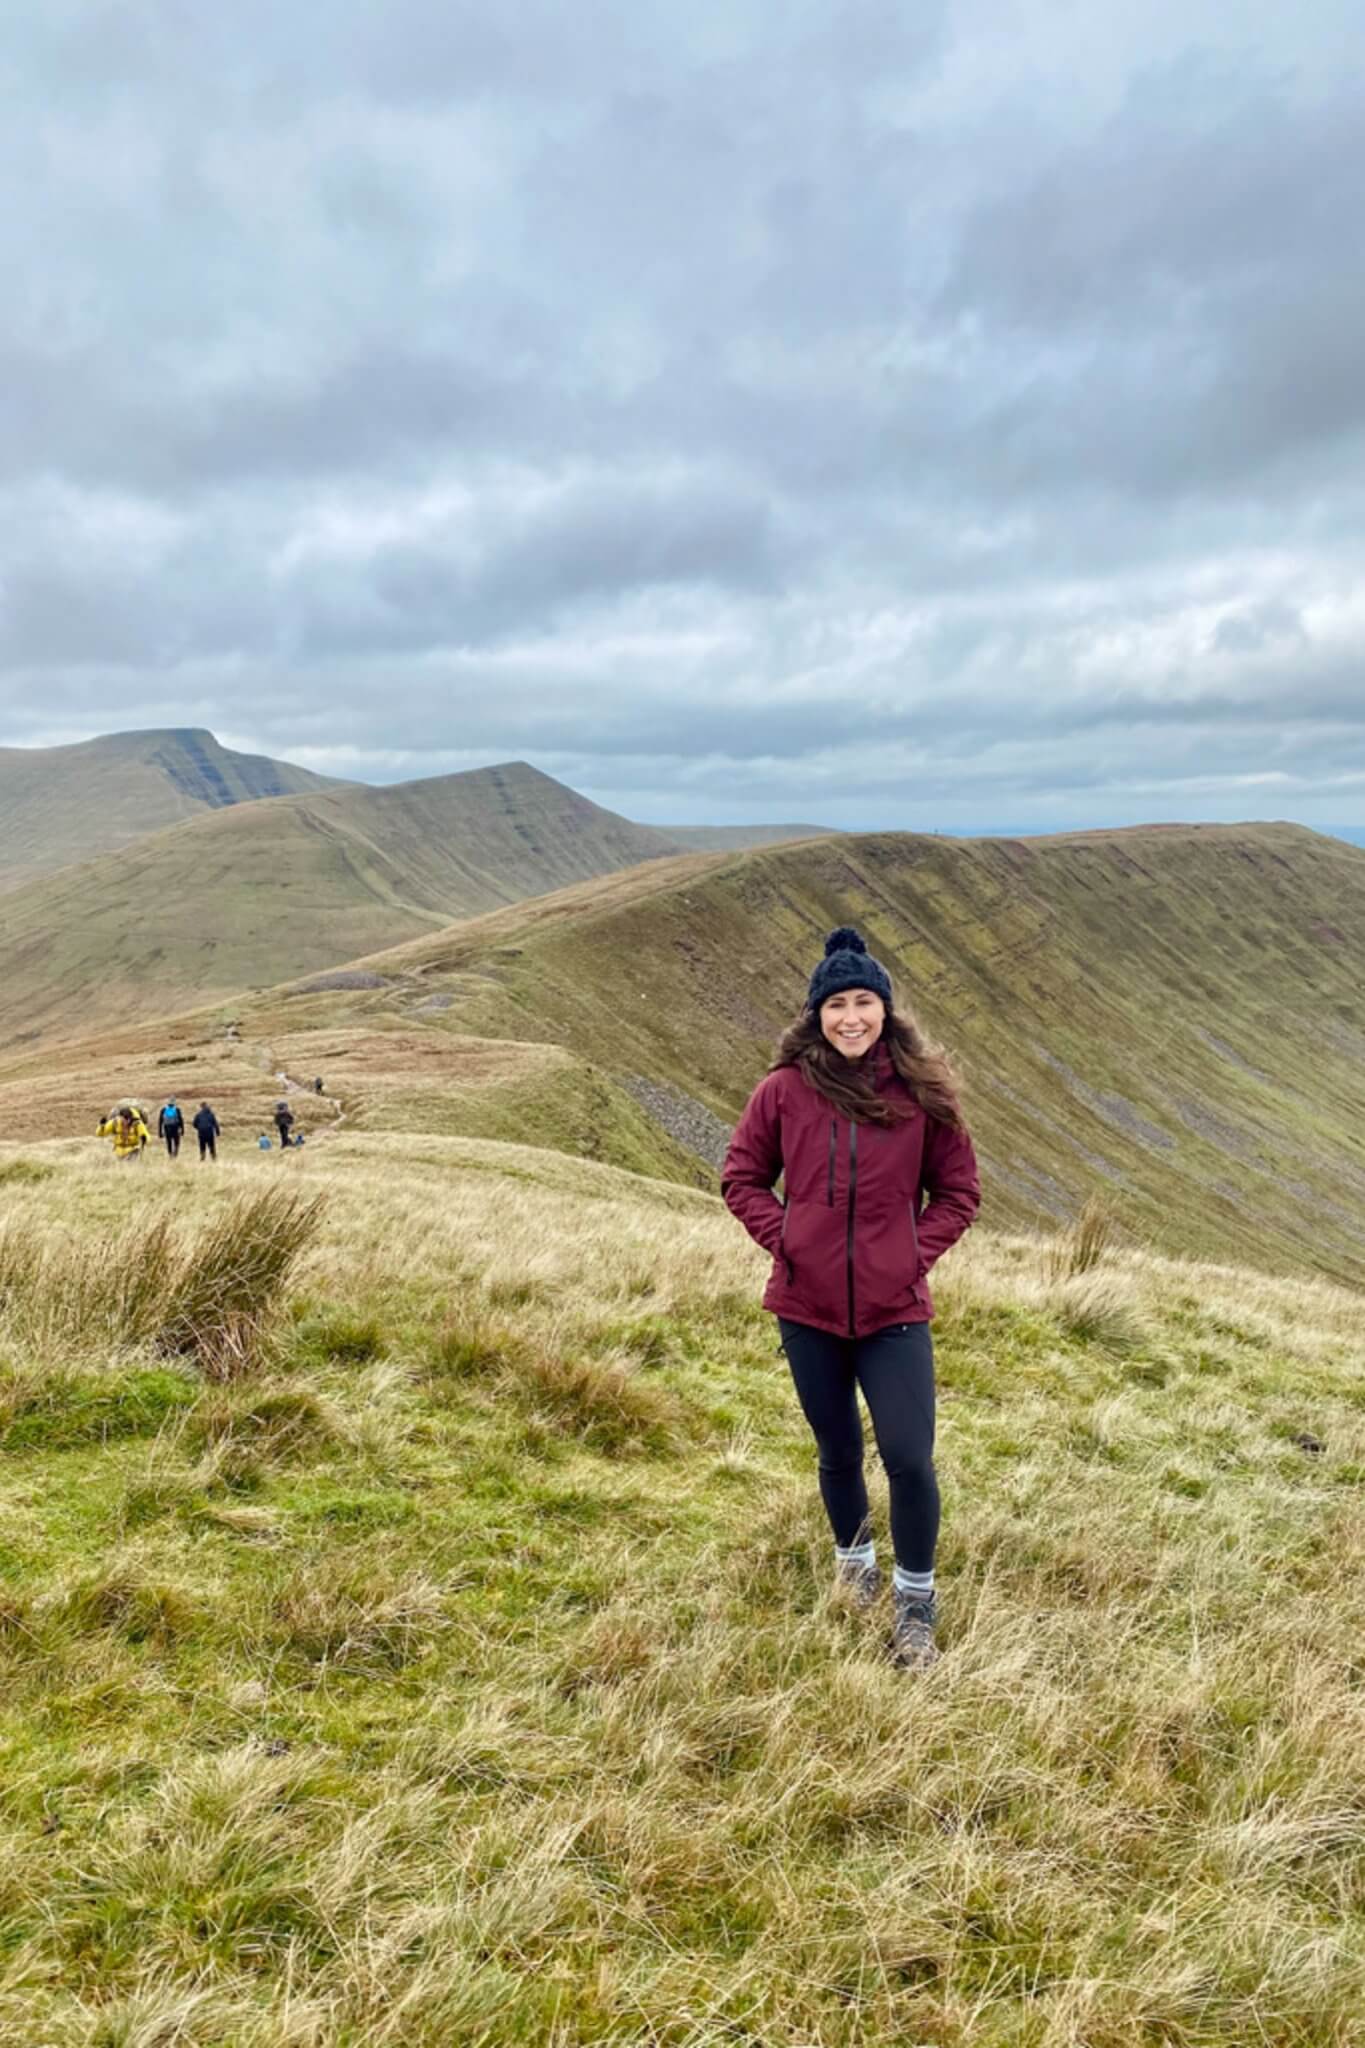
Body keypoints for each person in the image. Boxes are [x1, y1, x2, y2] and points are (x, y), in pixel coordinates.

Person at [722, 927, 980, 1670]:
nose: (851, 1018)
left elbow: (958, 1193)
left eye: (864, 1002)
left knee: (908, 1457)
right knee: (837, 1451)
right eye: (837, 1005)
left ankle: (914, 1605)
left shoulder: (923, 1095)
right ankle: (856, 1566)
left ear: (885, 1010)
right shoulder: (782, 1092)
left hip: (894, 1309)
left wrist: (908, 1254)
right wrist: (788, 1240)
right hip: (805, 1308)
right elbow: (740, 1177)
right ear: (816, 1015)